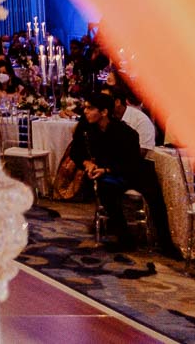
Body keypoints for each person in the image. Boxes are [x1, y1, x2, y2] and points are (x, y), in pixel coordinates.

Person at [67, 93, 176, 256]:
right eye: (86, 108)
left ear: (104, 112)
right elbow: (76, 151)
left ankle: (166, 244)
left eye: (90, 108)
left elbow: (130, 161)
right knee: (105, 190)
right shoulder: (86, 127)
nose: (86, 112)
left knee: (155, 198)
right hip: (109, 171)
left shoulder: (125, 132)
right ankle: (125, 239)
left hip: (135, 170)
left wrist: (106, 170)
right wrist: (87, 163)